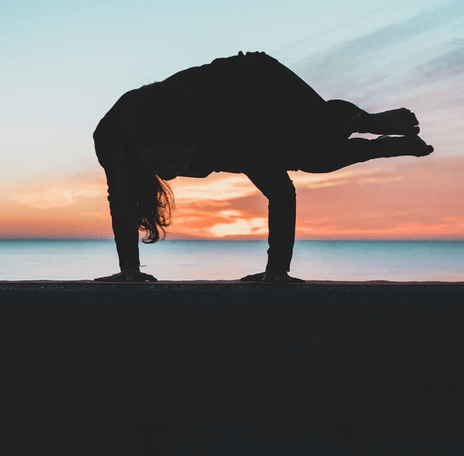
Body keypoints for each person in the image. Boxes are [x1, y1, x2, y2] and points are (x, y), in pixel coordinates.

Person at [93, 51, 433, 283]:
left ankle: (365, 120)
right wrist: (129, 271)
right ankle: (383, 147)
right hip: (217, 105)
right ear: (138, 149)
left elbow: (281, 191)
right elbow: (121, 199)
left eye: (175, 159)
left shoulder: (229, 131)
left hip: (258, 82)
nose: (167, 171)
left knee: (314, 150)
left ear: (195, 141)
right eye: (157, 162)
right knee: (308, 156)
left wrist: (276, 271)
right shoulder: (111, 139)